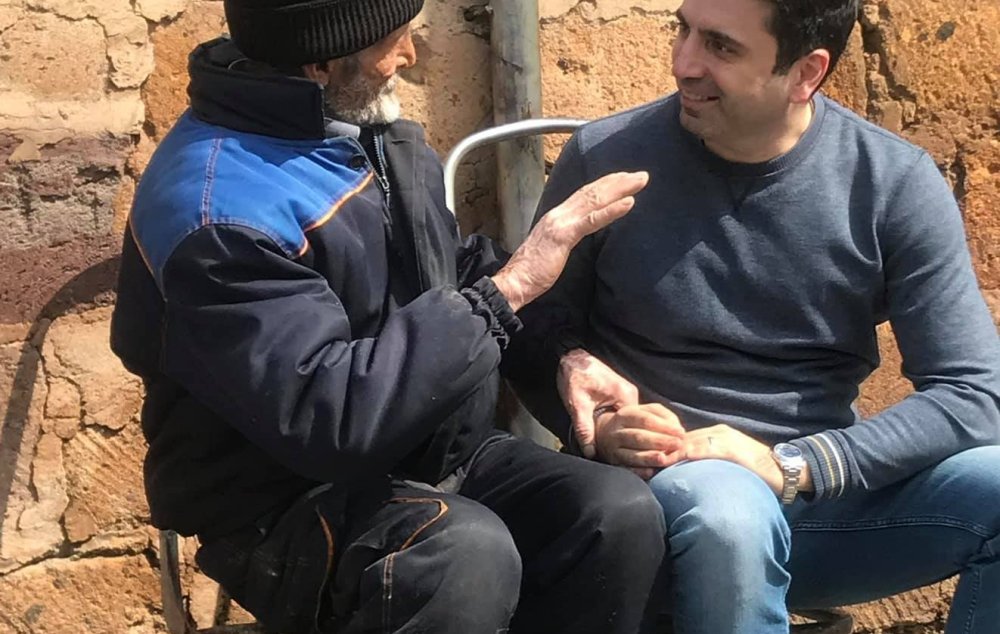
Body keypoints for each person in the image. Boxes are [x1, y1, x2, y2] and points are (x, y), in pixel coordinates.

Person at [109, 1, 667, 632]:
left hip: (429, 452)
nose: (410, 54)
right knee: (458, 554)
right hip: (281, 502)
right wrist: (509, 291)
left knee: (612, 513)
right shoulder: (218, 216)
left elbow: (451, 267)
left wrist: (562, 358)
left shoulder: (356, 130)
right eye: (393, 38)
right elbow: (330, 418)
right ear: (321, 61)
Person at [505, 0, 1000, 632]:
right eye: (682, 30)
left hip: (819, 501)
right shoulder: (607, 155)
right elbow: (532, 330)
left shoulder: (892, 183)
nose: (684, 63)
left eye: (721, 46)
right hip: (668, 493)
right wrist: (599, 424)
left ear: (806, 73)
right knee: (728, 514)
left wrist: (799, 465)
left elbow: (973, 393)